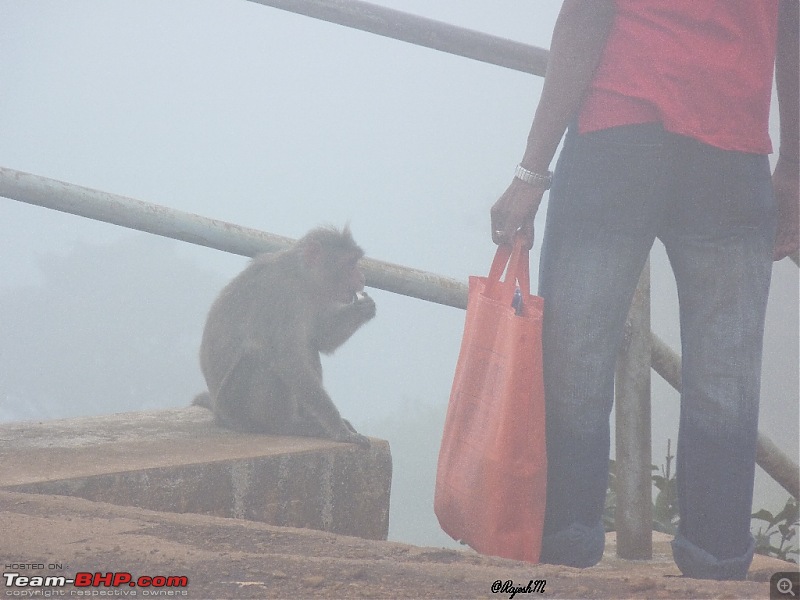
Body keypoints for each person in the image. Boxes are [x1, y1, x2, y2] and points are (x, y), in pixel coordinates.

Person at [490, 0, 799, 580]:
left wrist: (531, 172)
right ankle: (716, 569)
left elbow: (586, 14)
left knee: (574, 365)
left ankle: (560, 563)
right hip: (731, 152)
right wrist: (795, 167)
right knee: (724, 382)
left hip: (618, 134)